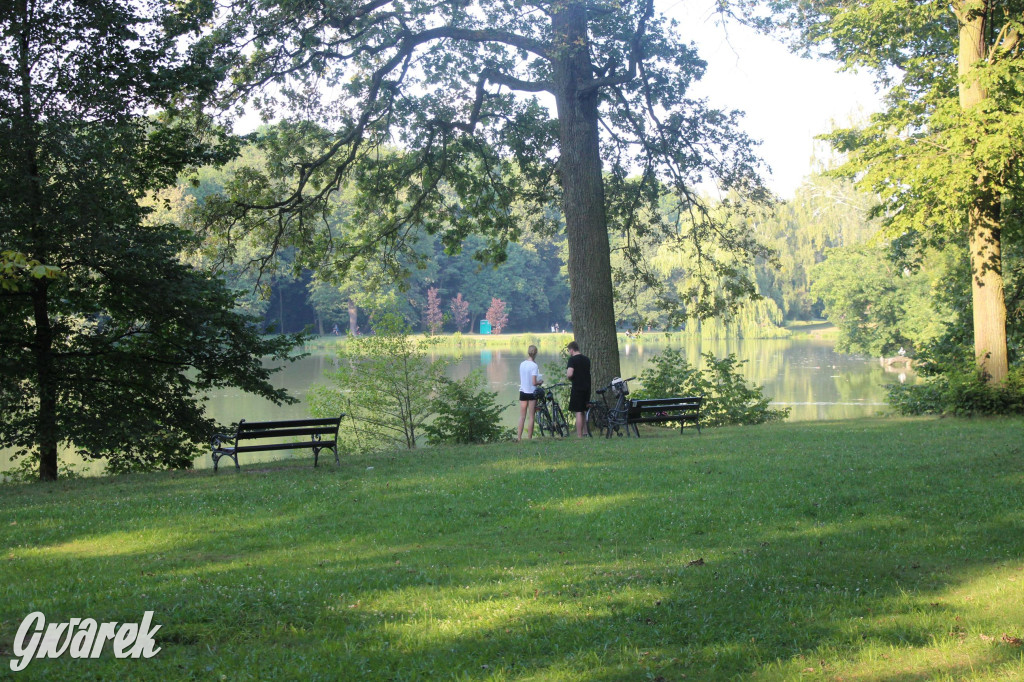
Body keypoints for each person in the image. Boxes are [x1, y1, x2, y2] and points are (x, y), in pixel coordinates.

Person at [517, 345, 543, 442]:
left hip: (523, 391)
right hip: (531, 392)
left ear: (528, 352)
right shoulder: (534, 366)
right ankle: (529, 438)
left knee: (522, 416)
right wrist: (539, 382)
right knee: (531, 416)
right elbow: (533, 382)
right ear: (536, 353)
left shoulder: (522, 364)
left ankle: (519, 438)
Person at [565, 340, 591, 438]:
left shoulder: (572, 360)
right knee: (583, 410)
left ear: (571, 350)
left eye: (569, 350)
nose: (569, 352)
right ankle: (585, 432)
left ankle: (579, 435)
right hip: (587, 387)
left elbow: (570, 374)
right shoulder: (586, 359)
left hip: (577, 387)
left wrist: (569, 377)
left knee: (578, 411)